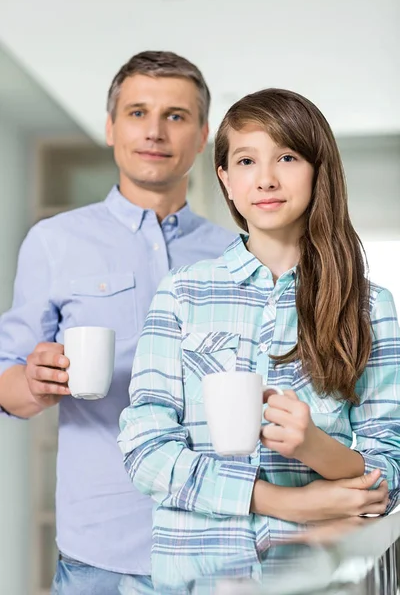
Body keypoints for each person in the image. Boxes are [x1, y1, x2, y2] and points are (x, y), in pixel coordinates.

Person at [118, 88, 400, 587]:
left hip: (315, 575)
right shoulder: (183, 294)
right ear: (224, 178)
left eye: (287, 157)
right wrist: (287, 501)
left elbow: (387, 468)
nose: (266, 178)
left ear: (319, 170)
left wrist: (313, 446)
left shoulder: (370, 306)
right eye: (246, 160)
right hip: (194, 575)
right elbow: (145, 448)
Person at [0, 51, 236, 593]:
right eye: (136, 113)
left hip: (219, 545)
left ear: (202, 136)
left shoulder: (236, 254)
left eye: (175, 116)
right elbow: (7, 383)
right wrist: (34, 383)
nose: (154, 131)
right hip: (99, 554)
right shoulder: (53, 242)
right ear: (110, 127)